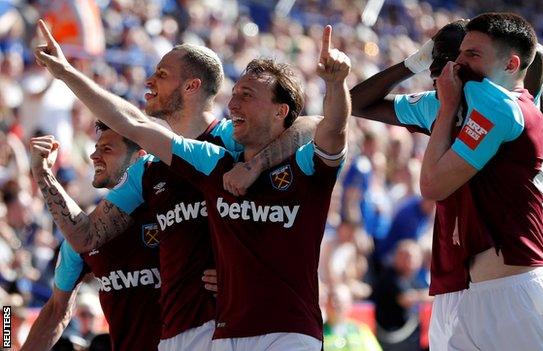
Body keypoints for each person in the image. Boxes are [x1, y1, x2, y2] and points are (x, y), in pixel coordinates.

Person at [34, 18, 350, 350]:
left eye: (162, 74)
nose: (150, 80)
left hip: (230, 325)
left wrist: (255, 165)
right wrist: (65, 75)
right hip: (178, 334)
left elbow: (315, 126)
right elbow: (87, 235)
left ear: (191, 86)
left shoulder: (230, 140)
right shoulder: (161, 167)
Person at [352, 14, 543, 350]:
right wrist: (417, 61)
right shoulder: (443, 106)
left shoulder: (510, 116)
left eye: (469, 56)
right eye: (454, 56)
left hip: (515, 289)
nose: (452, 68)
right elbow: (357, 102)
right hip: (459, 291)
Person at [22, 122, 161, 351]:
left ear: (139, 157)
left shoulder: (170, 212)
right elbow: (57, 311)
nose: (94, 155)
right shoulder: (80, 237)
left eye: (107, 149)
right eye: (96, 147)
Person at [323, 284, 382, 351]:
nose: (335, 305)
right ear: (326, 303)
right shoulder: (318, 333)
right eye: (333, 300)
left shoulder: (360, 330)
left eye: (340, 302)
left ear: (349, 305)